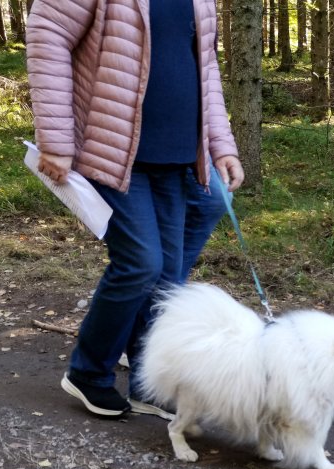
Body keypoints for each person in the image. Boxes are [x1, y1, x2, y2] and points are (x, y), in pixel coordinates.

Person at [26, 0, 244, 417]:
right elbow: (47, 33)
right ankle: (88, 372)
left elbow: (206, 71)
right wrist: (55, 140)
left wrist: (220, 146)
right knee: (142, 264)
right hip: (113, 154)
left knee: (165, 274)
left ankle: (147, 377)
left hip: (177, 156)